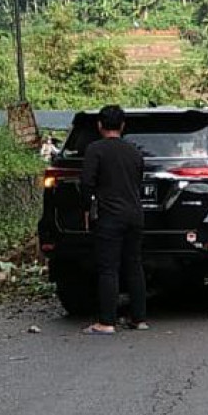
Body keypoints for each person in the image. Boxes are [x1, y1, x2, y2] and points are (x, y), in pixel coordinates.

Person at [79, 105, 148, 335]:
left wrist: (87, 209)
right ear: (122, 126)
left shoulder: (95, 150)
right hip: (135, 215)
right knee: (134, 265)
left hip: (110, 216)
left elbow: (87, 183)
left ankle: (107, 322)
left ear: (99, 125)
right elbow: (138, 182)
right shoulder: (135, 152)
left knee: (109, 268)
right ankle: (139, 319)